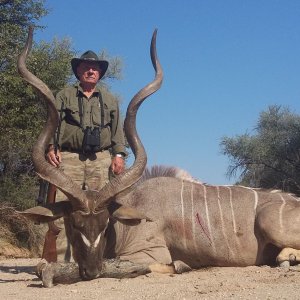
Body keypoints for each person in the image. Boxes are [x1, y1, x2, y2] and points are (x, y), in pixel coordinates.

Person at [46, 50, 127, 261]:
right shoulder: (64, 95)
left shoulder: (109, 99)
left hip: (100, 159)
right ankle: (63, 262)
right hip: (69, 158)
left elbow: (118, 129)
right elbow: (52, 125)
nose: (91, 71)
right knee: (66, 209)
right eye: (86, 67)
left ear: (100, 73)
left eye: (95, 68)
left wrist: (118, 154)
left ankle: (101, 259)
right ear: (78, 71)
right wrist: (50, 147)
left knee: (101, 212)